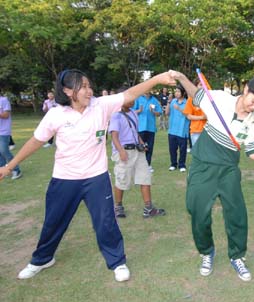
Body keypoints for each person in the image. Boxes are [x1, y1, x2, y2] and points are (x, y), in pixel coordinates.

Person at [0, 69, 176, 282]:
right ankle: (42, 259)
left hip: (96, 178)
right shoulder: (56, 114)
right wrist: (9, 167)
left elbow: (130, 94)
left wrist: (157, 79)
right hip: (64, 179)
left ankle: (117, 262)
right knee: (53, 222)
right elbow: (36, 141)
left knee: (106, 222)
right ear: (67, 91)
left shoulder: (100, 106)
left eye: (89, 86)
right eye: (82, 86)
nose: (89, 90)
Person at [171, 70, 254, 282]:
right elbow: (196, 94)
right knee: (197, 212)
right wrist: (182, 78)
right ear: (246, 89)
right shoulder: (220, 98)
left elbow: (253, 152)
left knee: (236, 214)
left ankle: (237, 256)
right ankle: (206, 252)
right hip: (203, 166)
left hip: (229, 169)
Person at [109, 97, 166, 219]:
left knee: (145, 177)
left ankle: (148, 208)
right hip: (124, 152)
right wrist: (121, 151)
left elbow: (135, 132)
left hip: (137, 151)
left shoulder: (134, 113)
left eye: (134, 99)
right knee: (122, 179)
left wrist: (141, 143)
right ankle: (118, 207)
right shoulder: (116, 116)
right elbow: (114, 136)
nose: (133, 101)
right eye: (130, 99)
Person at [132, 92, 162, 173]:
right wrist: (139, 110)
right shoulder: (138, 99)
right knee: (140, 147)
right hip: (140, 127)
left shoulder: (154, 100)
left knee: (149, 147)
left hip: (151, 127)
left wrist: (153, 112)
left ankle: (148, 165)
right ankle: (138, 166)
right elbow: (131, 112)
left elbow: (159, 113)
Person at [165, 86, 190, 172]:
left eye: (178, 92)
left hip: (182, 130)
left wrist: (179, 108)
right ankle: (173, 164)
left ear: (183, 93)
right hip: (172, 129)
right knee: (172, 149)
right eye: (176, 92)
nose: (176, 93)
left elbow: (188, 116)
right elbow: (167, 113)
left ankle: (182, 165)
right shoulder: (172, 102)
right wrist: (169, 102)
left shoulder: (187, 103)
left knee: (182, 149)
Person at [0, 94, 22, 180]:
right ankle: (2, 171)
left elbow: (6, 115)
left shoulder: (4, 100)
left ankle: (16, 170)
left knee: (4, 151)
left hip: (3, 131)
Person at [183, 80, 207, 148]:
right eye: (200, 84)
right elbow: (189, 116)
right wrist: (202, 117)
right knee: (197, 153)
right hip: (196, 131)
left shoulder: (209, 99)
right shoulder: (191, 99)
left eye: (204, 85)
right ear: (196, 86)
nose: (203, 87)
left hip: (208, 131)